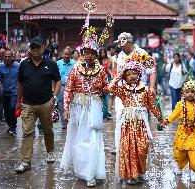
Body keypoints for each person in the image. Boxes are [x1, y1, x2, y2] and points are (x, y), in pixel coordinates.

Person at [59, 9, 114, 187]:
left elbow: (105, 89)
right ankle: (81, 170)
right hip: (78, 107)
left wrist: (113, 87)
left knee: (93, 138)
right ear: (82, 53)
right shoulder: (76, 69)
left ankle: (91, 172)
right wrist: (66, 108)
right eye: (86, 52)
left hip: (94, 107)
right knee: (78, 139)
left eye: (92, 52)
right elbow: (68, 89)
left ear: (96, 54)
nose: (89, 55)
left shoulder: (101, 71)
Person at [107, 53, 162, 184]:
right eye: (128, 74)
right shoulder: (122, 90)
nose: (132, 76)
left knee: (142, 147)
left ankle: (140, 171)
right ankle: (131, 175)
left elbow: (152, 105)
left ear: (139, 74)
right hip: (127, 124)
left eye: (134, 73)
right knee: (129, 148)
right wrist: (119, 75)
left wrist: (160, 118)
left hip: (141, 124)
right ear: (125, 77)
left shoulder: (145, 89)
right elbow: (110, 88)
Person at [15, 36, 62, 173]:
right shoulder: (24, 64)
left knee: (48, 130)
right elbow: (20, 83)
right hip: (28, 103)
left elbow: (58, 81)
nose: (35, 50)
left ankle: (50, 151)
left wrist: (54, 98)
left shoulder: (51, 64)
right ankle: (25, 161)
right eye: (32, 48)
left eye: (37, 47)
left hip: (45, 103)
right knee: (27, 132)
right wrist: (19, 101)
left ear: (43, 48)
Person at [113, 32, 157, 155]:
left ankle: (140, 145)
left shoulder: (141, 54)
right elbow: (117, 73)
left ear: (127, 41)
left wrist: (152, 88)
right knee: (120, 118)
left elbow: (151, 71)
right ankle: (119, 146)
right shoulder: (120, 55)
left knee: (139, 120)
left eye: (122, 43)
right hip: (122, 93)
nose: (120, 46)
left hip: (138, 94)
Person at [160, 80, 195, 182]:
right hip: (182, 132)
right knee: (180, 153)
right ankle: (178, 166)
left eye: (192, 91)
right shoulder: (180, 105)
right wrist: (166, 121)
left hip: (193, 132)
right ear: (183, 92)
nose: (190, 94)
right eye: (187, 92)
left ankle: (193, 171)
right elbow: (173, 115)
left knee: (193, 153)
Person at [0, 49, 19, 136]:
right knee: (6, 111)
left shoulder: (17, 66)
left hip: (14, 92)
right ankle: (10, 125)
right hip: (5, 92)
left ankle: (13, 127)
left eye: (9, 56)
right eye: (6, 57)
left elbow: (22, 78)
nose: (7, 58)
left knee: (12, 108)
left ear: (12, 57)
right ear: (3, 57)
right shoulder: (1, 66)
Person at [56, 47, 75, 129]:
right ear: (62, 55)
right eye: (65, 54)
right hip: (61, 86)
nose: (66, 56)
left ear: (71, 55)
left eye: (68, 54)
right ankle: (64, 121)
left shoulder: (75, 64)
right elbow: (54, 76)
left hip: (72, 87)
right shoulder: (58, 63)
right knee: (61, 104)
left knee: (72, 104)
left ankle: (72, 121)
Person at [98, 47, 112, 119]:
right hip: (99, 78)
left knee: (107, 94)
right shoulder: (97, 60)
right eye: (101, 53)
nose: (102, 54)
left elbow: (108, 68)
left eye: (103, 52)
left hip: (107, 77)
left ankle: (107, 111)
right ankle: (101, 111)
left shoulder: (109, 59)